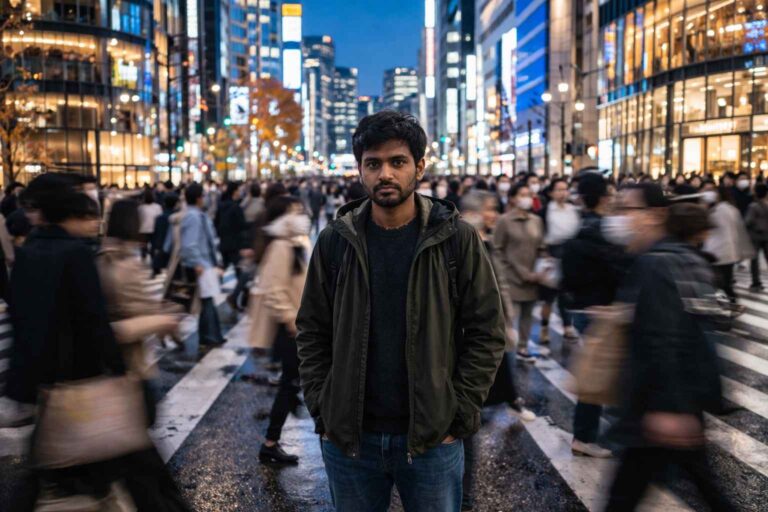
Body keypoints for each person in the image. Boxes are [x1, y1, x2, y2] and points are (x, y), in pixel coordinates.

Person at [296, 111, 506, 512]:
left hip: (431, 438)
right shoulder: (335, 242)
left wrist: (459, 413)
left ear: (419, 167)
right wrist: (323, 408)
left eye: (397, 162)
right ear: (360, 170)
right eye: (373, 164)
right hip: (351, 440)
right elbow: (311, 328)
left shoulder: (455, 239)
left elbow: (487, 329)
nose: (385, 174)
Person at [5, 174, 188, 511]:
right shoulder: (76, 255)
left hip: (47, 385)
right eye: (87, 216)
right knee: (144, 475)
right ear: (70, 215)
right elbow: (94, 321)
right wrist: (118, 372)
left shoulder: (29, 251)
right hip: (86, 384)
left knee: (45, 473)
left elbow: (21, 320)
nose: (94, 224)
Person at [604, 190, 735, 512]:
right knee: (704, 487)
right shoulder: (685, 257)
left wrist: (669, 408)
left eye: (627, 209)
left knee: (623, 498)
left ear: (654, 214)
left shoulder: (655, 263)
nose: (621, 217)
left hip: (659, 406)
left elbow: (666, 337)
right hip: (675, 403)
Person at [460, 190, 536, 512]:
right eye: (490, 209)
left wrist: (507, 320)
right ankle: (462, 497)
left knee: (470, 421)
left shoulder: (484, 239)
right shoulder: (463, 242)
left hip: (488, 332)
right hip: (469, 339)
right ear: (474, 211)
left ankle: (463, 495)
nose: (494, 214)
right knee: (466, 421)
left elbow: (497, 283)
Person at [562, 172, 626, 458]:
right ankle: (587, 436)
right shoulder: (605, 232)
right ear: (602, 197)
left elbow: (569, 278)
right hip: (604, 311)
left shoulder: (579, 229)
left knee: (600, 372)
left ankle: (589, 434)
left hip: (584, 308)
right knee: (602, 374)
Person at [248, 195, 310, 464]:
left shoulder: (292, 245)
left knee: (292, 381)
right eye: (293, 212)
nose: (299, 216)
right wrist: (291, 322)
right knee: (290, 383)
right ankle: (270, 443)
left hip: (296, 326)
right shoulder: (280, 248)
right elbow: (273, 291)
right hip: (291, 330)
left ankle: (273, 438)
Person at [493, 182, 545, 361]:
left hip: (533, 276)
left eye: (529, 194)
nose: (526, 198)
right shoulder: (504, 220)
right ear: (513, 198)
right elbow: (497, 248)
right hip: (511, 277)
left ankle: (523, 347)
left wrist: (542, 268)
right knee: (509, 317)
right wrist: (504, 271)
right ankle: (504, 352)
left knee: (527, 315)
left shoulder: (536, 221)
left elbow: (541, 247)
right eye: (522, 195)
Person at [180, 183, 225, 350]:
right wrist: (197, 263)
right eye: (204, 195)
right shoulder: (193, 217)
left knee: (207, 300)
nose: (205, 198)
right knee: (206, 301)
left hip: (205, 262)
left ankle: (211, 336)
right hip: (202, 264)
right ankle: (210, 337)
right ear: (199, 198)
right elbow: (189, 244)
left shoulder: (197, 214)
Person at [702, 182, 753, 312]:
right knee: (726, 282)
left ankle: (727, 304)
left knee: (717, 282)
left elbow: (705, 225)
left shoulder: (715, 211)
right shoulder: (732, 209)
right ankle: (732, 302)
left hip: (716, 252)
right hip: (729, 252)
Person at [540, 177, 581, 343]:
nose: (563, 193)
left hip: (569, 254)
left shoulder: (573, 210)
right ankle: (544, 328)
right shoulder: (545, 211)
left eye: (565, 189)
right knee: (548, 297)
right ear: (551, 192)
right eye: (559, 189)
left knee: (566, 295)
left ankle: (567, 326)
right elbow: (541, 234)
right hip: (551, 253)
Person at [215, 181, 247, 279]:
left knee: (224, 267)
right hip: (235, 243)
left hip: (223, 241)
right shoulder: (236, 207)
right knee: (239, 269)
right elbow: (242, 225)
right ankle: (240, 292)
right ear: (234, 191)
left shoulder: (221, 206)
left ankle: (215, 286)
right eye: (238, 190)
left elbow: (216, 222)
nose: (239, 192)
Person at [150, 193, 179, 277]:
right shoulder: (177, 218)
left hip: (160, 244)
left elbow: (155, 233)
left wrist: (153, 246)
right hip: (173, 247)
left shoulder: (159, 218)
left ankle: (155, 272)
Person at [746, 183, 768, 291]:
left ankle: (756, 283)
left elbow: (748, 221)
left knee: (754, 261)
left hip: (755, 237)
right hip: (767, 236)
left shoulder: (753, 206)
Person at [138, 188, 163, 261]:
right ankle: (153, 260)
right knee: (153, 246)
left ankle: (144, 257)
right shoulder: (157, 207)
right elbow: (159, 217)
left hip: (143, 229)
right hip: (154, 228)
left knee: (143, 246)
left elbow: (139, 218)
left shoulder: (141, 208)